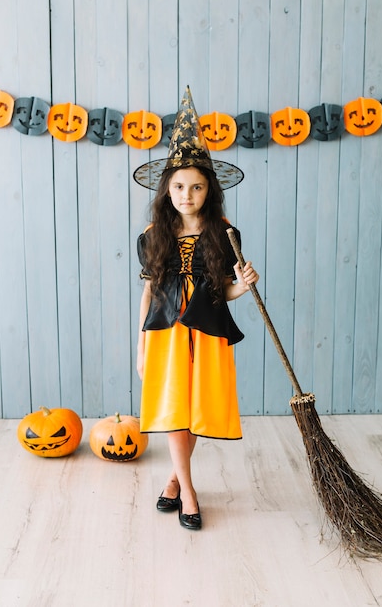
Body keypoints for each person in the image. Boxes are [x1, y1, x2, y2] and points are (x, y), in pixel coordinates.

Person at [134, 87, 259, 531]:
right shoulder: (154, 235)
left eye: (197, 186)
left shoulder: (224, 235)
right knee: (172, 408)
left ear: (210, 191)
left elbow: (222, 292)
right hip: (166, 333)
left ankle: (172, 478)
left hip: (206, 332)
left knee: (193, 409)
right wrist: (141, 346)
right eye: (180, 185)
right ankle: (188, 491)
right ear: (168, 188)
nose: (187, 194)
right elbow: (149, 292)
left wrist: (242, 288)